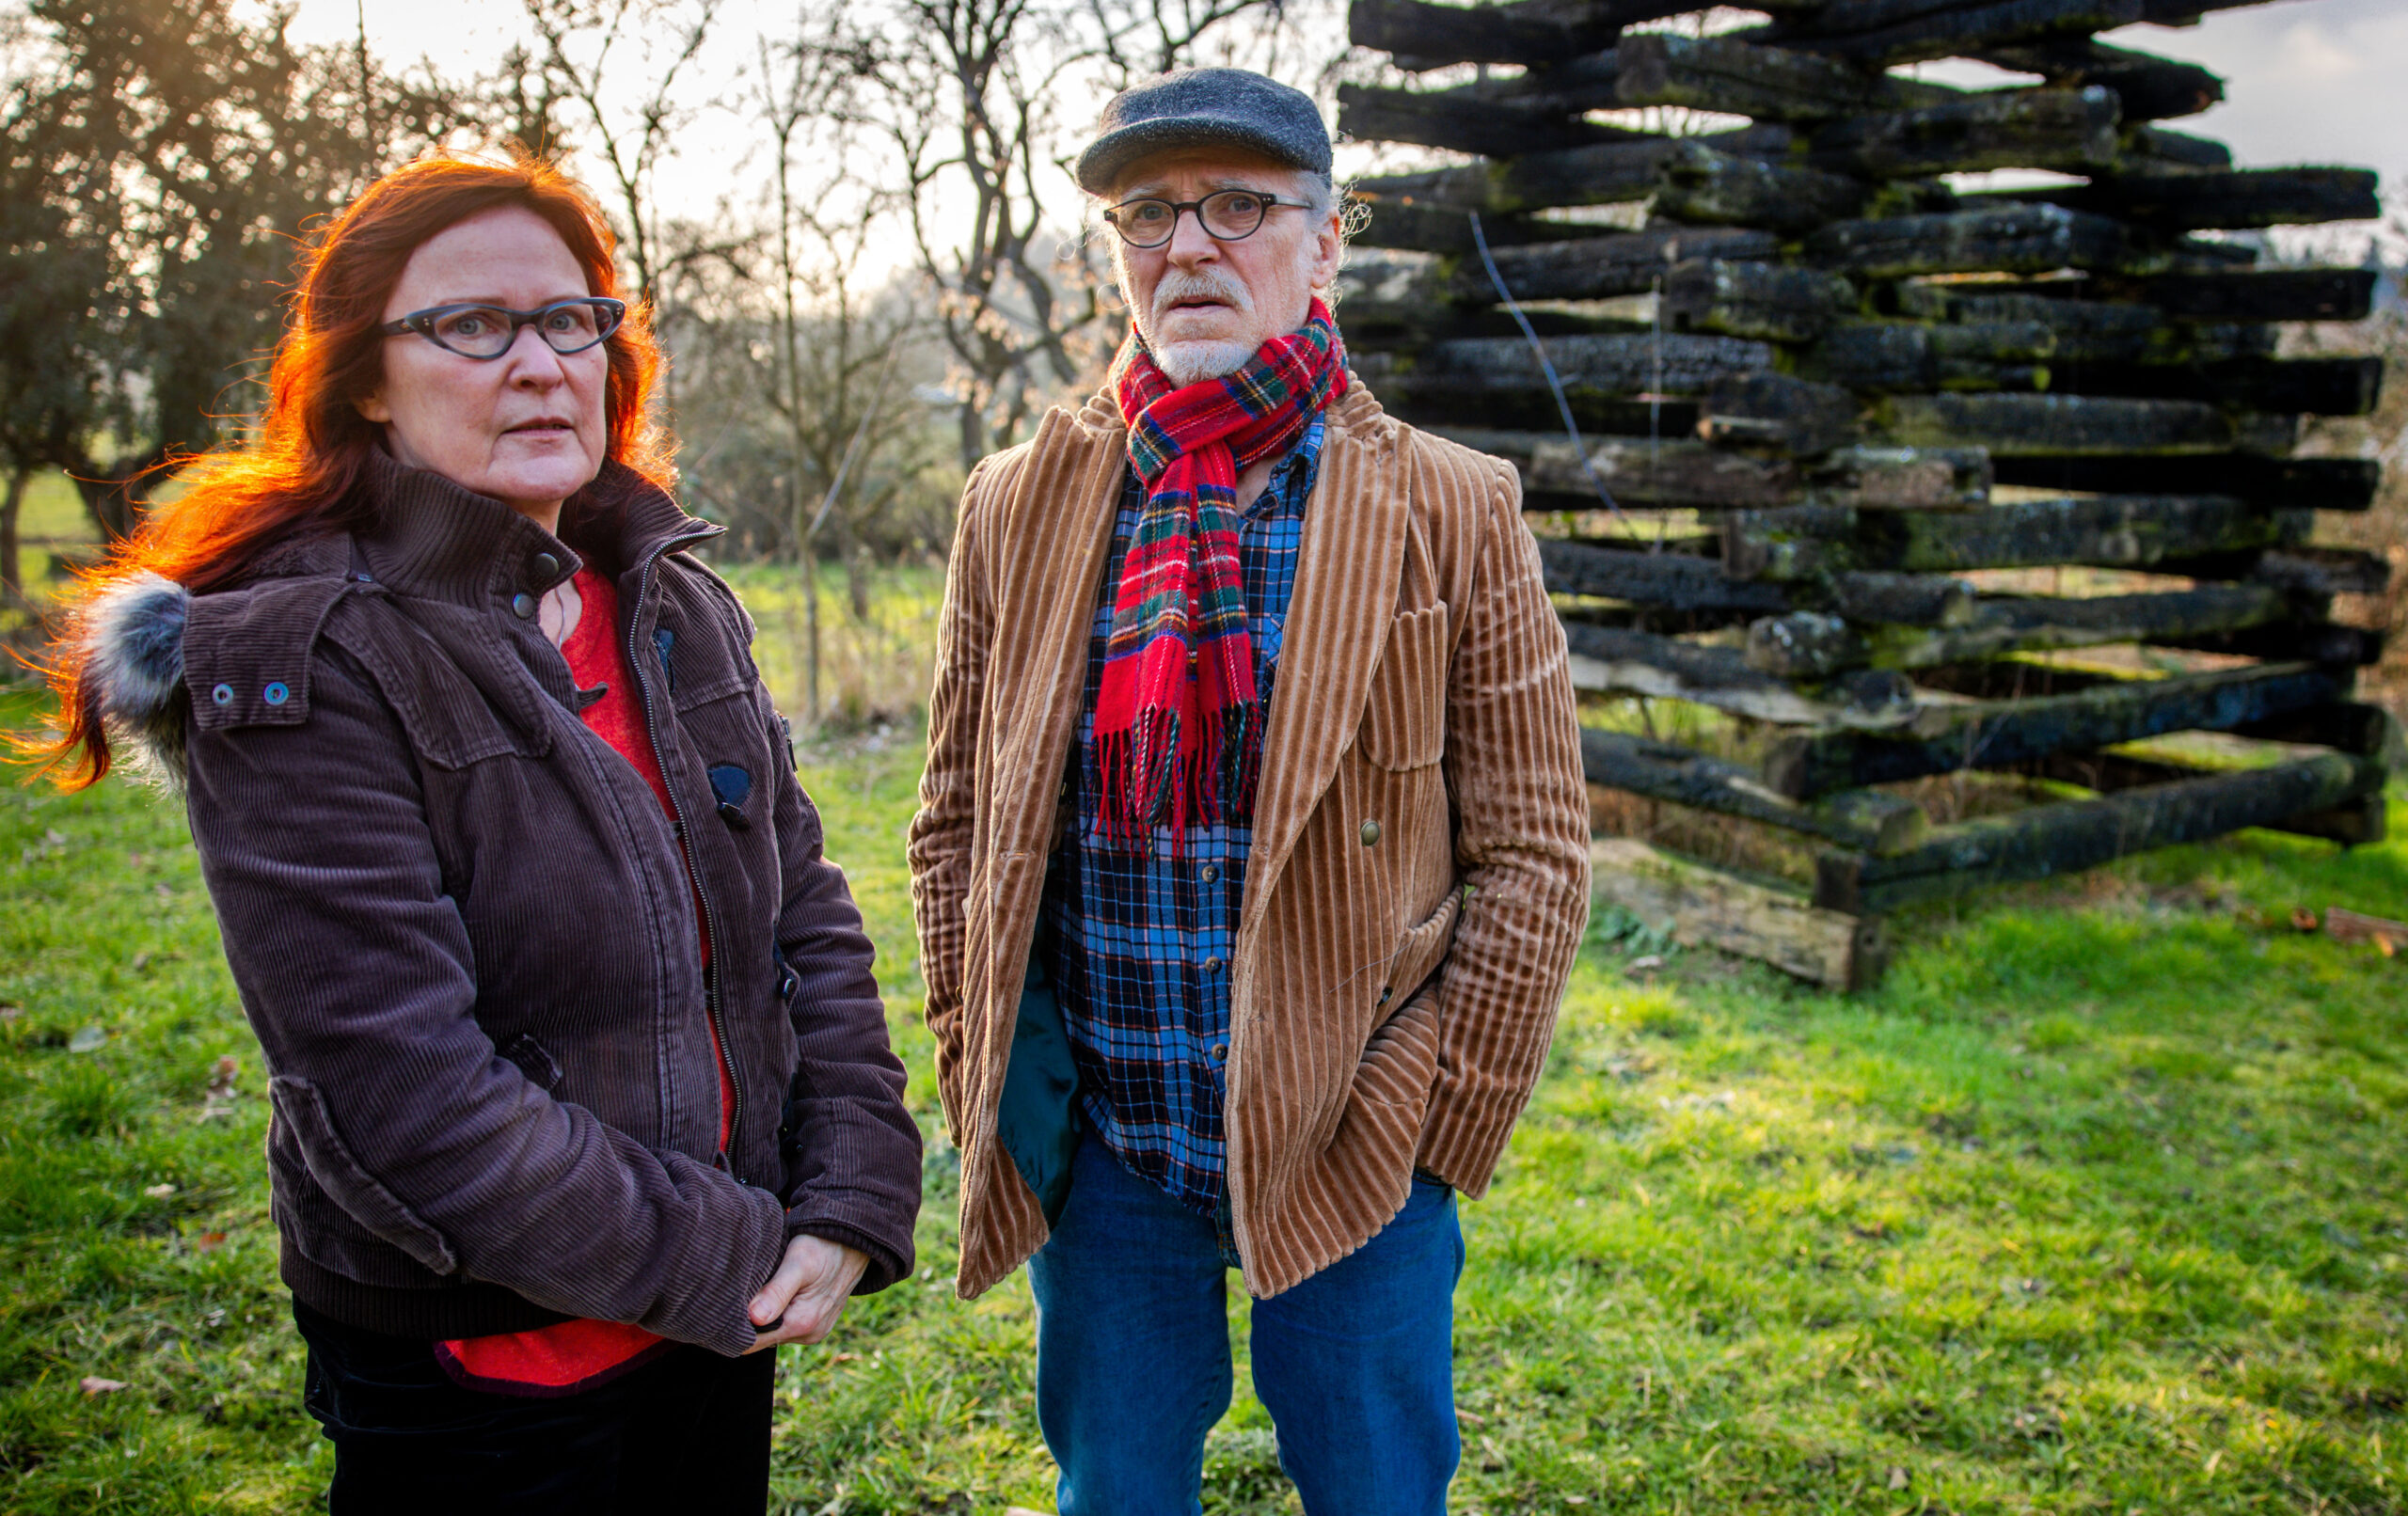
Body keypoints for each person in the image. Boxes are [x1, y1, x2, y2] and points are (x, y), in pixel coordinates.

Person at [31, 153, 920, 1511]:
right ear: (365, 381)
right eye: (470, 325)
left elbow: (801, 905)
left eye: (571, 320)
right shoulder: (309, 655)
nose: (540, 363)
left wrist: (851, 1189)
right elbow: (400, 1088)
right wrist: (736, 1247)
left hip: (720, 1330)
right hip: (483, 1377)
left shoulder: (667, 596)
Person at [909, 68, 1592, 1515]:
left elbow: (1535, 850)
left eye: (1238, 206)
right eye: (1147, 215)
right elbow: (956, 819)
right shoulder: (1016, 503)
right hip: (1107, 1142)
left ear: (1325, 243)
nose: (1189, 247)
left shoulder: (1451, 505)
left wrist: (1443, 1117)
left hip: (1359, 1135)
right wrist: (985, 1074)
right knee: (1118, 1493)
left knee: (1376, 1489)